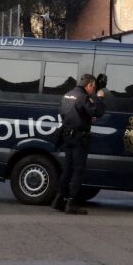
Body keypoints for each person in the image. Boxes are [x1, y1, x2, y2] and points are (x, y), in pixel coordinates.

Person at [51, 74, 105, 215]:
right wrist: (99, 97)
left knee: (67, 169)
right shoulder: (83, 97)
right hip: (79, 138)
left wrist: (84, 117)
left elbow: (65, 113)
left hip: (67, 135)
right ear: (89, 85)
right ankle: (71, 204)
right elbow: (98, 112)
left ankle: (58, 200)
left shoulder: (68, 95)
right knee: (77, 170)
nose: (93, 90)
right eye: (93, 87)